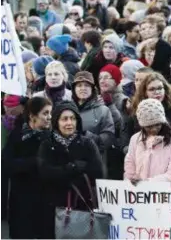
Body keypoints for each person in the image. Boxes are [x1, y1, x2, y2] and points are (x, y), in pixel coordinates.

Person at [37, 101, 104, 239]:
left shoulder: (87, 143)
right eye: (64, 119)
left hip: (82, 206)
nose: (69, 123)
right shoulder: (47, 144)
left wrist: (65, 173)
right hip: (53, 207)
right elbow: (45, 172)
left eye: (73, 118)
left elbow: (98, 172)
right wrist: (71, 168)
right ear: (56, 122)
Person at [2, 97, 52, 239]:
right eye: (45, 113)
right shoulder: (17, 135)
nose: (49, 117)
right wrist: (34, 162)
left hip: (46, 202)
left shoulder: (51, 137)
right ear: (32, 115)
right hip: (21, 201)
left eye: (50, 113)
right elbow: (7, 164)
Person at [124, 98, 171, 187]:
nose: (154, 129)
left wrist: (147, 183)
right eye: (149, 127)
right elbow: (129, 164)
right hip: (140, 194)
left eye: (157, 124)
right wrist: (130, 180)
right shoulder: (135, 139)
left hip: (166, 193)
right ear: (142, 125)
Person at [71, 71, 116, 167]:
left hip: (94, 163)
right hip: (70, 163)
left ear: (92, 88)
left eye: (87, 85)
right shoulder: (66, 110)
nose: (83, 88)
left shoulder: (103, 110)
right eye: (79, 85)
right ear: (74, 89)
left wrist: (87, 136)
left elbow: (109, 138)